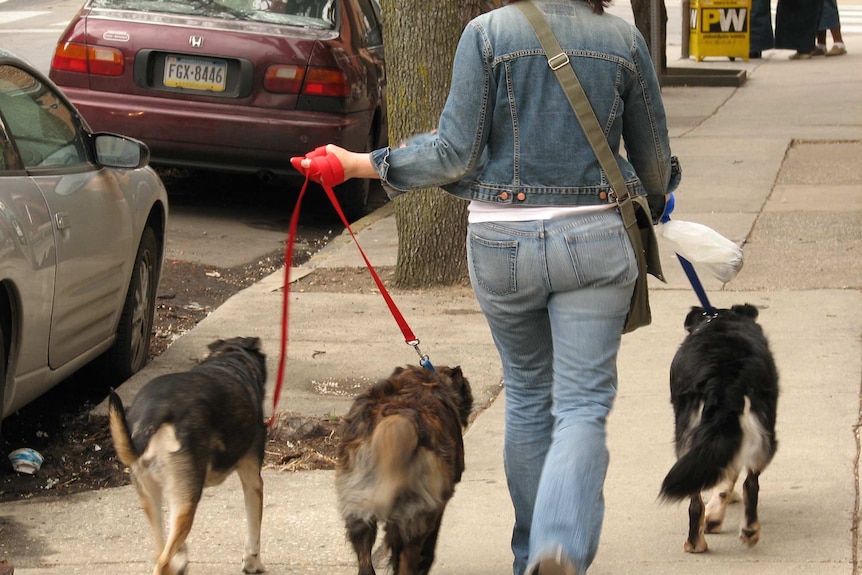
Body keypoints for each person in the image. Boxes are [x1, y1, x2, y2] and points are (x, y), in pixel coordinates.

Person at [293, 0, 679, 573]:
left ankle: (528, 555)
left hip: (502, 241)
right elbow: (652, 169)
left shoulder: (487, 33)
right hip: (596, 238)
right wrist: (662, 186)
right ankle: (558, 548)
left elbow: (454, 152)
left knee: (527, 397)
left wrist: (356, 164)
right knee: (580, 407)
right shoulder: (623, 40)